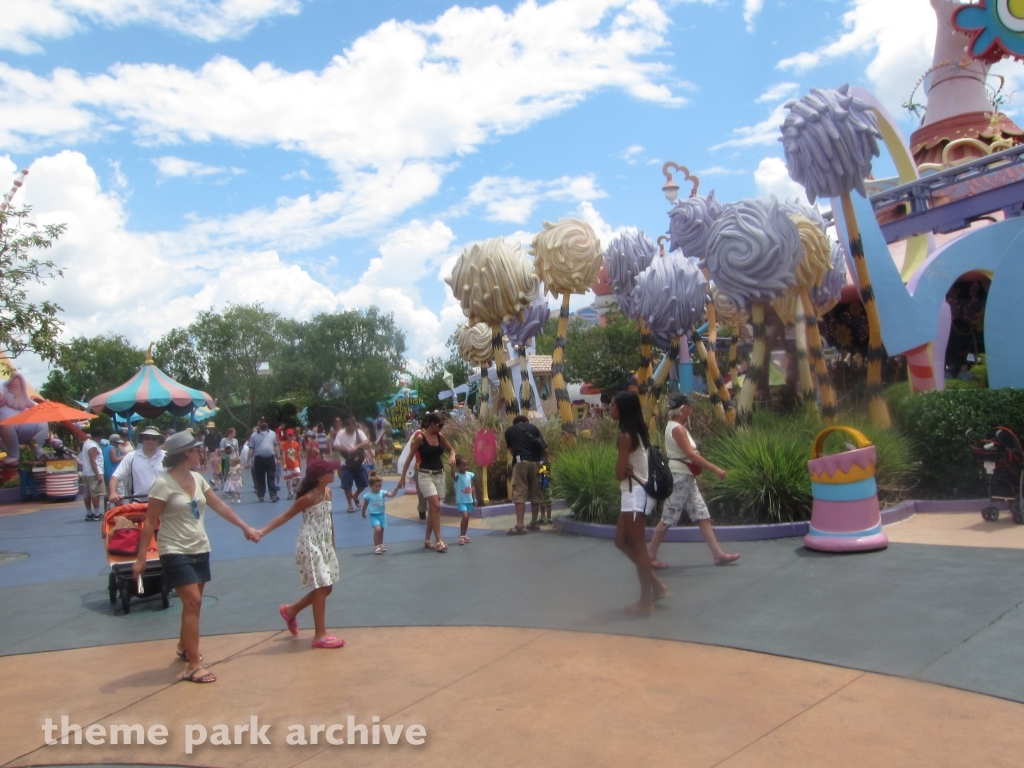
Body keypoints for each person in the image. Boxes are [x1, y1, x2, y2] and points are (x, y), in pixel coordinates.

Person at [132, 430, 262, 682]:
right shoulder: (163, 484)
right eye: (196, 449)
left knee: (194, 603)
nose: (200, 453)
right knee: (193, 600)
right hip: (174, 550)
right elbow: (149, 523)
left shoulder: (198, 479)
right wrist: (141, 558)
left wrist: (245, 527)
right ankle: (193, 665)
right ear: (185, 454)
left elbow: (219, 505)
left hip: (200, 547)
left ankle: (184, 645)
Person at [260, 459, 345, 649]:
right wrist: (261, 532)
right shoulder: (308, 497)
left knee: (327, 588)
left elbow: (329, 519)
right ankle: (320, 635)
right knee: (322, 588)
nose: (334, 472)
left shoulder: (328, 493)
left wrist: (332, 543)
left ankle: (291, 610)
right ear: (321, 477)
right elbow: (285, 516)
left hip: (323, 544)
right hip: (310, 543)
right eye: (330, 471)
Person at [649, 394, 741, 568]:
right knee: (668, 516)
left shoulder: (673, 426)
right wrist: (715, 469)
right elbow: (690, 455)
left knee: (701, 514)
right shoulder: (678, 429)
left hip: (686, 476)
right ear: (683, 409)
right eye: (689, 406)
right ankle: (650, 555)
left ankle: (718, 554)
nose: (691, 409)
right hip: (680, 477)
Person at [611, 391, 669, 615]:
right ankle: (656, 585)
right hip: (635, 493)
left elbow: (618, 473)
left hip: (634, 494)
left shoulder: (626, 436)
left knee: (639, 548)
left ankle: (647, 600)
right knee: (620, 541)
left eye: (613, 405)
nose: (610, 408)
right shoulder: (638, 433)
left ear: (623, 409)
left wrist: (622, 468)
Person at [398, 412, 456, 553]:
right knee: (435, 506)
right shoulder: (420, 438)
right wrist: (403, 477)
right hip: (425, 475)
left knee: (434, 509)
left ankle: (427, 539)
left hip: (439, 474)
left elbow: (451, 449)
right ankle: (439, 541)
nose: (441, 427)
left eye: (443, 425)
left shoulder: (439, 436)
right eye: (439, 425)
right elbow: (409, 458)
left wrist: (452, 456)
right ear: (432, 424)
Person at [503, 414, 549, 535]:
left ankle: (520, 525)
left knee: (520, 491)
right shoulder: (534, 428)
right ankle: (534, 522)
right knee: (535, 491)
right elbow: (544, 448)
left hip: (520, 462)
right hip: (536, 462)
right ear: (526, 421)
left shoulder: (509, 431)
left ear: (514, 423)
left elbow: (511, 450)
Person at [109, 426, 166, 504]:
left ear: (158, 440)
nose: (150, 441)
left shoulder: (167, 456)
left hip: (163, 502)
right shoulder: (131, 456)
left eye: (154, 438)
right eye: (147, 438)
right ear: (142, 440)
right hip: (138, 502)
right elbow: (116, 476)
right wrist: (113, 493)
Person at [333, 416, 372, 513]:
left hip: (359, 462)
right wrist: (347, 450)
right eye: (348, 429)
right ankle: (350, 504)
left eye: (351, 429)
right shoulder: (341, 433)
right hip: (346, 462)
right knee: (347, 485)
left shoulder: (359, 432)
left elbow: (367, 442)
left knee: (364, 482)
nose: (350, 431)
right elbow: (336, 446)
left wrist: (357, 447)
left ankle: (356, 495)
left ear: (354, 426)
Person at [361, 471, 400, 555]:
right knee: (377, 529)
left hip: (382, 514)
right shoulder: (368, 495)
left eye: (380, 486)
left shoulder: (382, 492)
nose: (378, 488)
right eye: (376, 486)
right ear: (371, 486)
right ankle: (376, 546)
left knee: (381, 530)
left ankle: (381, 544)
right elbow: (365, 505)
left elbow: (391, 495)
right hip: (373, 515)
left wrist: (396, 488)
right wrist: (363, 513)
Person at [247, 417, 281, 503]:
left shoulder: (272, 434)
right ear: (258, 424)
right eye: (261, 422)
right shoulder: (254, 436)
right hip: (259, 459)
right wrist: (247, 461)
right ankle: (261, 495)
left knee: (271, 477)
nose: (263, 423)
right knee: (260, 478)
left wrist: (278, 457)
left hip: (270, 459)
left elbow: (275, 445)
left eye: (265, 422)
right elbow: (251, 449)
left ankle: (273, 495)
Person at [81, 425, 106, 521]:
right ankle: (97, 513)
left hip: (86, 472)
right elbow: (93, 460)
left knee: (88, 493)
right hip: (94, 473)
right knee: (95, 493)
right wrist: (98, 474)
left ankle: (89, 513)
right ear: (99, 436)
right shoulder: (93, 446)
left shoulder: (87, 443)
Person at [453, 454, 478, 545]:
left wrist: (475, 498)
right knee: (465, 516)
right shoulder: (457, 476)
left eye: (466, 465)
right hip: (461, 501)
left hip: (469, 500)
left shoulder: (470, 475)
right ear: (458, 466)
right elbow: (452, 475)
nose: (466, 467)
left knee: (467, 519)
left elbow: (472, 487)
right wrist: (452, 467)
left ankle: (464, 534)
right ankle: (461, 535)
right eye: (463, 465)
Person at [281, 428, 302, 499]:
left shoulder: (297, 444)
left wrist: (300, 463)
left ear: (293, 435)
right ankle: (290, 492)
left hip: (295, 463)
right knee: (288, 479)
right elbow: (283, 454)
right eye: (288, 435)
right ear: (286, 436)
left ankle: (296, 488)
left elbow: (298, 454)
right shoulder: (284, 444)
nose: (290, 437)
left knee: (298, 476)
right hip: (287, 464)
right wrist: (284, 463)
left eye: (291, 435)